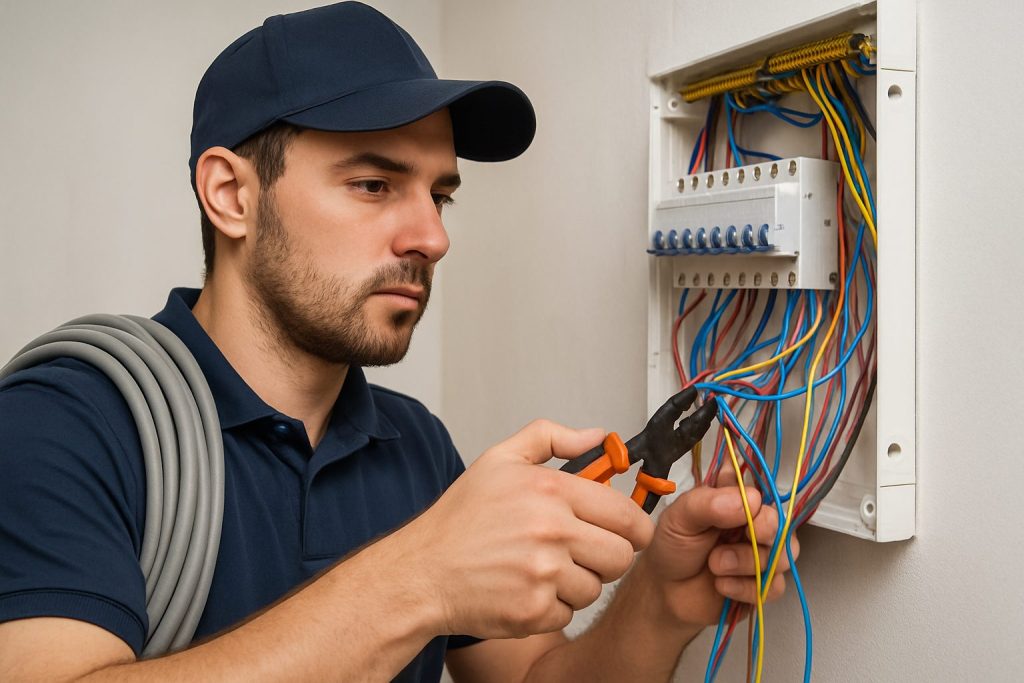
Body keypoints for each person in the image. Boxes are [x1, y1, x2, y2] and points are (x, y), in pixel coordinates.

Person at [0, 3, 794, 681]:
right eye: (374, 184)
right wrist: (420, 577)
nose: (432, 236)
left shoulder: (413, 445)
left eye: (439, 194)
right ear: (231, 194)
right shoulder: (68, 423)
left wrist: (660, 600)